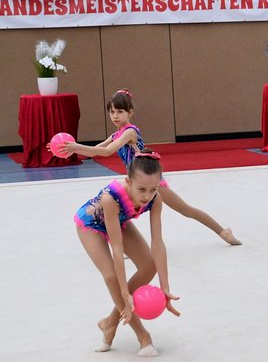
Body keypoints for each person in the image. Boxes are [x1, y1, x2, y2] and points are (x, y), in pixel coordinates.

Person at [53, 89, 241, 245]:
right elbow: (96, 151)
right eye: (112, 112)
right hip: (136, 181)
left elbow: (108, 151)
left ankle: (222, 231)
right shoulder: (116, 134)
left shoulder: (129, 132)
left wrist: (76, 147)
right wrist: (73, 151)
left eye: (120, 112)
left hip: (149, 180)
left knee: (185, 209)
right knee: (118, 208)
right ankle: (121, 243)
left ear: (130, 112)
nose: (115, 116)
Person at [75, 150, 180, 357]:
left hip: (119, 220)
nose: (147, 196)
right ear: (128, 181)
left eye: (153, 189)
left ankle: (110, 322)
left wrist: (165, 286)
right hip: (90, 224)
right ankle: (143, 336)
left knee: (149, 265)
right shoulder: (111, 199)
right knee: (111, 277)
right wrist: (125, 293)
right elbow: (117, 249)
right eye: (141, 189)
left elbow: (158, 243)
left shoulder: (155, 199)